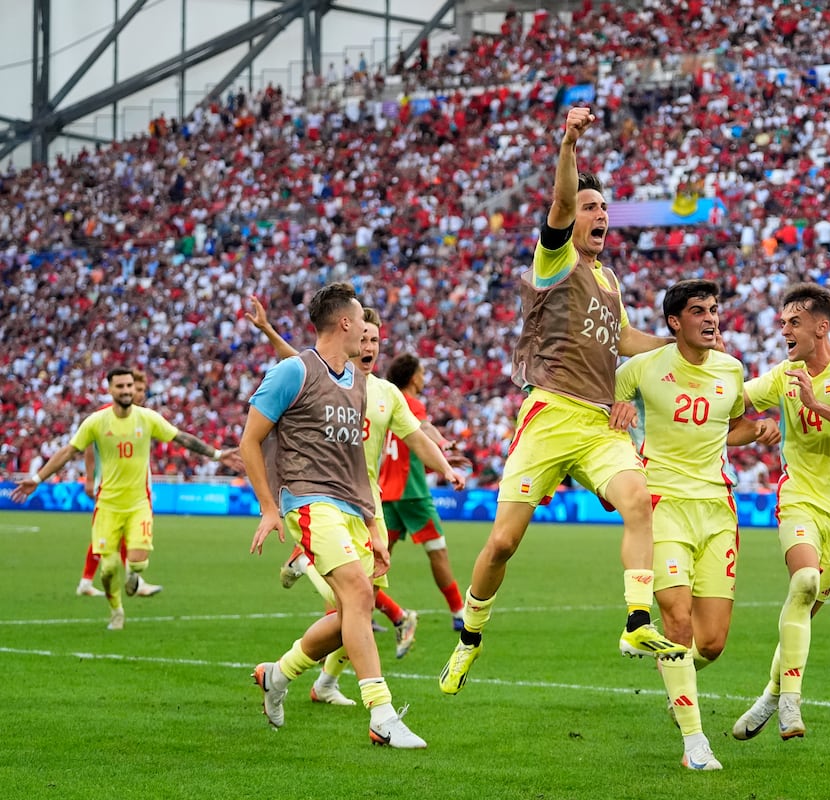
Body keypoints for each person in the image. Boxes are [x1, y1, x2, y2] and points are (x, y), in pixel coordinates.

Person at [439, 105, 687, 697]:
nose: (599, 215)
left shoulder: (609, 280)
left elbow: (625, 340)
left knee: (638, 501)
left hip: (600, 423)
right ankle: (470, 635)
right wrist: (569, 144)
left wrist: (679, 344)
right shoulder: (556, 259)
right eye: (590, 207)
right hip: (551, 413)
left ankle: (635, 621)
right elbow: (556, 208)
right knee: (502, 543)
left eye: (604, 208)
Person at [243, 282, 430, 748]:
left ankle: (278, 675)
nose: (369, 334)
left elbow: (356, 467)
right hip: (309, 502)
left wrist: (374, 526)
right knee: (357, 593)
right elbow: (250, 440)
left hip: (352, 508)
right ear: (345, 322)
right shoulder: (293, 372)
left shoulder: (357, 384)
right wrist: (269, 507)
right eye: (362, 324)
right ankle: (382, 715)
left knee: (353, 615)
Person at [610, 279, 780, 771]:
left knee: (711, 642)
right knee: (677, 622)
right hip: (662, 506)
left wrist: (759, 430)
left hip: (717, 510)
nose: (711, 318)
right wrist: (614, 412)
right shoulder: (640, 369)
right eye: (699, 311)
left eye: (714, 310)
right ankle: (695, 743)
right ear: (674, 322)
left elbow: (732, 428)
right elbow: (600, 412)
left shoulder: (732, 370)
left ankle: (675, 681)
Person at [730, 282, 830, 741]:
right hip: (798, 496)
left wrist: (816, 403)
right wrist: (752, 420)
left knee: (805, 608)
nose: (784, 331)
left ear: (821, 326)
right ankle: (792, 704)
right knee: (805, 581)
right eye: (782, 323)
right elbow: (730, 405)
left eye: (793, 322)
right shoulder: (782, 375)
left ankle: (771, 694)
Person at [11, 367, 241, 630]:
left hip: (138, 504)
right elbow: (68, 451)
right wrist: (38, 479)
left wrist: (217, 454)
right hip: (107, 505)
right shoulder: (96, 422)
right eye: (120, 386)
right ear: (110, 390)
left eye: (129, 386)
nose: (126, 391)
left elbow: (181, 437)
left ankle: (134, 577)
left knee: (138, 561)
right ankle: (116, 610)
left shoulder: (147, 418)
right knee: (108, 570)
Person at [379, 354, 471, 631]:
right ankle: (458, 613)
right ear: (412, 377)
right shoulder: (410, 403)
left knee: (378, 558)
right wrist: (444, 446)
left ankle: (359, 610)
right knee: (437, 551)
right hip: (412, 492)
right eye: (421, 373)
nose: (424, 378)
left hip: (386, 491)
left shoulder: (386, 400)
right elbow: (423, 428)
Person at [76, 369, 164, 598]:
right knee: (109, 536)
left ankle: (96, 580)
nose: (140, 394)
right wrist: (89, 477)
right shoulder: (105, 416)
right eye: (138, 389)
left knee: (119, 535)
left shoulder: (143, 416)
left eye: (142, 390)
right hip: (110, 484)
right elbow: (87, 446)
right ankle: (125, 578)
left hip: (136, 483)